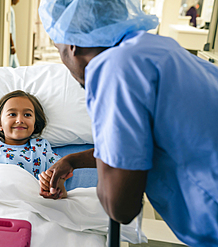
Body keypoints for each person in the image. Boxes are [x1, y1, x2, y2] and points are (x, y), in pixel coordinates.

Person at [38, 0, 218, 246]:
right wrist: (73, 160)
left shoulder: (114, 71)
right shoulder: (160, 48)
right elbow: (147, 141)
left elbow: (120, 206)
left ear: (72, 45)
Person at [9, 0, 20, 68]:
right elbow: (9, 30)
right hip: (10, 44)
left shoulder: (11, 9)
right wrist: (12, 45)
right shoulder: (9, 11)